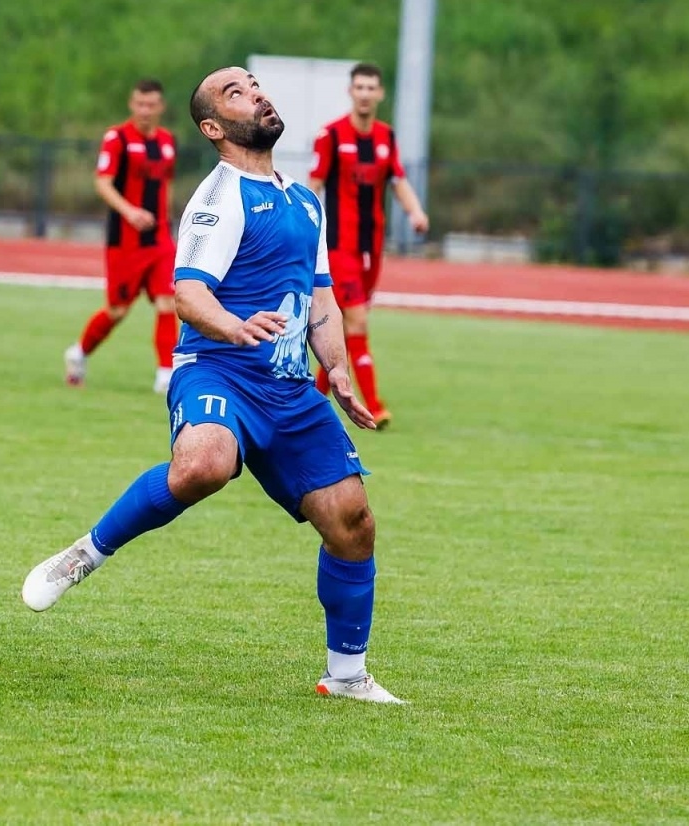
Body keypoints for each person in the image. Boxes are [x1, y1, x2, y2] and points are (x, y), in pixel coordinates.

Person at [23, 66, 403, 704]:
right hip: (217, 369)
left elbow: (322, 300)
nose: (256, 93)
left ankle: (347, 678)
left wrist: (335, 368)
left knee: (353, 522)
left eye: (255, 85)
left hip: (287, 389)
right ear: (214, 128)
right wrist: (234, 325)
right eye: (237, 92)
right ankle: (86, 553)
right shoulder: (219, 196)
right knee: (204, 463)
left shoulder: (305, 200)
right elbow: (188, 294)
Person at [306, 63, 429, 428]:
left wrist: (416, 212)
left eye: (370, 87)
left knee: (344, 327)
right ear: (350, 91)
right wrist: (301, 227)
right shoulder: (330, 136)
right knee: (356, 321)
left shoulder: (385, 137)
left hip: (371, 247)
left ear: (380, 94)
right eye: (358, 86)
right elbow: (313, 185)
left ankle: (312, 400)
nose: (364, 93)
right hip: (339, 246)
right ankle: (374, 405)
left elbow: (398, 181)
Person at [64, 80, 179, 393]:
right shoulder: (117, 138)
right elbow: (103, 182)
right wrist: (130, 212)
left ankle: (166, 375)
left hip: (159, 240)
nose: (145, 110)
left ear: (160, 107)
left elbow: (165, 188)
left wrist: (168, 225)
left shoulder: (168, 142)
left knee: (168, 301)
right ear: (132, 104)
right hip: (125, 240)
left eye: (151, 105)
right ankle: (79, 353)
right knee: (117, 310)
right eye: (139, 104)